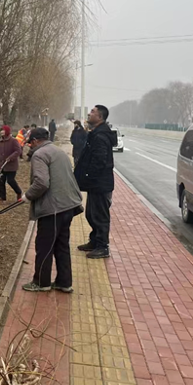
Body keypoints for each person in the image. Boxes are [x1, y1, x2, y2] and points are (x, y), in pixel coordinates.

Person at [20, 127, 83, 292]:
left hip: (53, 208)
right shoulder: (59, 151)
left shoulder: (39, 154)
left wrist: (28, 196)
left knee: (44, 246)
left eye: (29, 144)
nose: (29, 147)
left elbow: (41, 182)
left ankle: (41, 282)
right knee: (62, 245)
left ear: (34, 141)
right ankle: (64, 282)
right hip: (68, 206)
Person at [74, 105, 117, 259]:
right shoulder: (96, 134)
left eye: (92, 112)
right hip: (95, 184)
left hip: (100, 184)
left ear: (99, 118)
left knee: (100, 216)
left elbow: (99, 161)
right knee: (91, 215)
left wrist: (87, 176)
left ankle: (102, 246)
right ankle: (94, 241)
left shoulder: (100, 137)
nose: (89, 114)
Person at [0, 125, 22, 202]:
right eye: (1, 130)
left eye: (3, 130)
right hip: (1, 165)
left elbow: (18, 151)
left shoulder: (13, 140)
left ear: (7, 131)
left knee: (10, 180)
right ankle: (2, 197)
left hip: (11, 166)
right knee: (1, 181)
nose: (1, 132)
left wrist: (11, 157)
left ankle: (19, 192)